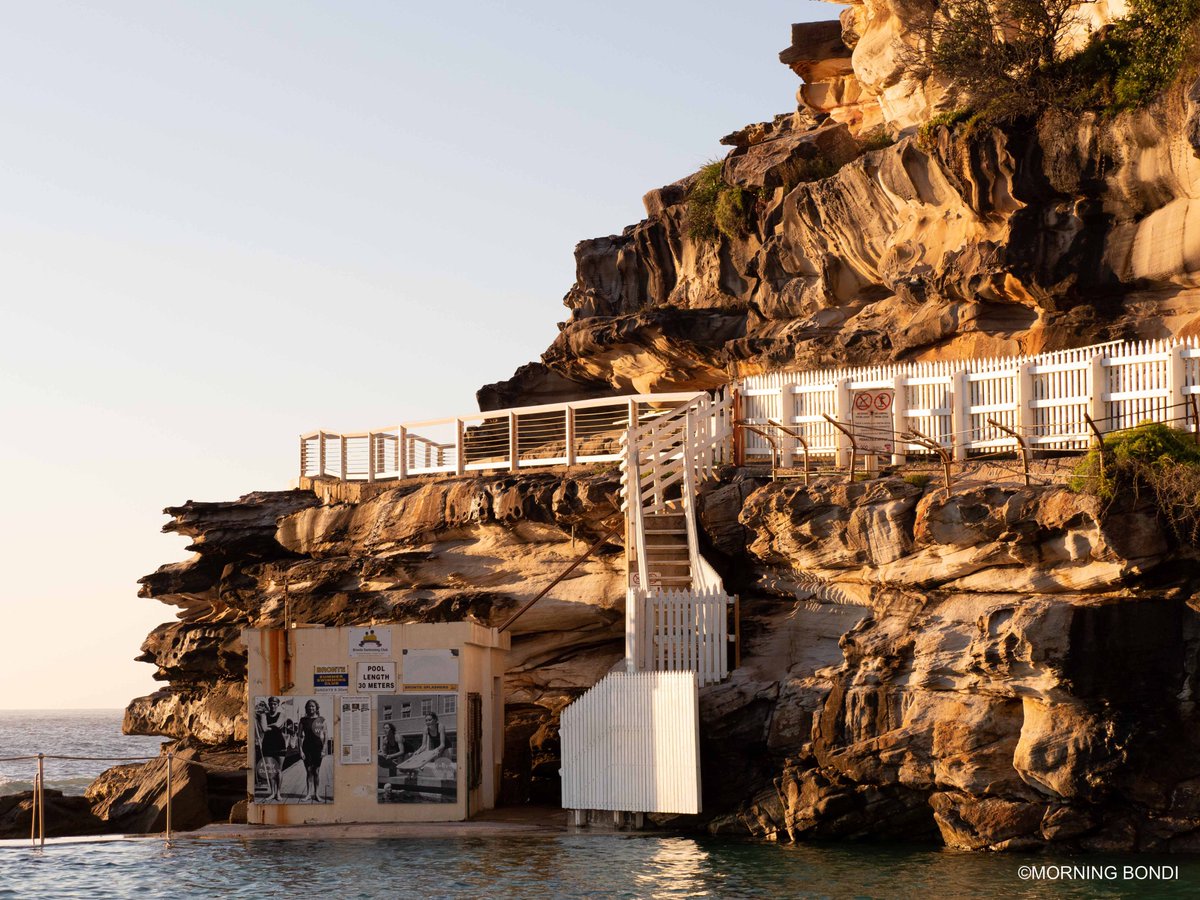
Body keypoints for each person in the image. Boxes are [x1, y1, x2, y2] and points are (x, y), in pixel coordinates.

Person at [257, 697, 286, 802]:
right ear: (269, 705)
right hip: (268, 744)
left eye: (275, 704)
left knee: (279, 770)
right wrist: (272, 726)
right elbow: (264, 729)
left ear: (277, 705)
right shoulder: (263, 715)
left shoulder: (282, 715)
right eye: (271, 704)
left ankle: (278, 793)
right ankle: (272, 793)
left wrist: (268, 725)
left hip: (279, 744)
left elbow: (278, 725)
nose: (273, 705)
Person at [299, 699, 327, 802]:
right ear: (306, 708)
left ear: (316, 708)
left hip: (317, 748)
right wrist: (300, 750)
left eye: (313, 706)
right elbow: (300, 737)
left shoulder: (321, 720)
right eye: (309, 706)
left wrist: (324, 749)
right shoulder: (303, 720)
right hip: (307, 748)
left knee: (316, 771)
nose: (311, 708)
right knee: (309, 771)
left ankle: (317, 794)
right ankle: (308, 794)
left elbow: (325, 735)